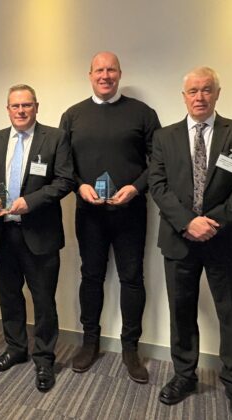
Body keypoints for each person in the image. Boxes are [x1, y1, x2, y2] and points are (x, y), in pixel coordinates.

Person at [149, 66, 232, 420]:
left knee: (231, 315)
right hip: (179, 239)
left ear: (217, 93)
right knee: (181, 313)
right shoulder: (164, 137)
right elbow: (158, 186)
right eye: (193, 91)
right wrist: (187, 223)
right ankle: (184, 376)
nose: (199, 97)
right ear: (183, 96)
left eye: (206, 90)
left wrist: (211, 223)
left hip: (225, 239)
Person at [59, 51, 161, 383]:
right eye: (99, 70)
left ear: (120, 73)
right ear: (90, 75)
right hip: (90, 214)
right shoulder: (72, 115)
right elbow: (63, 167)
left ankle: (130, 349)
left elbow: (158, 163)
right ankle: (90, 342)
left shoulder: (143, 113)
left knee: (133, 279)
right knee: (91, 278)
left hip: (130, 213)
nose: (105, 75)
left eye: (111, 69)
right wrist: (79, 187)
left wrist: (136, 188)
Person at [0, 84, 74, 392]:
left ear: (36, 107)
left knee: (43, 300)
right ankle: (16, 349)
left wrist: (29, 202)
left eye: (27, 105)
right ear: (7, 109)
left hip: (40, 234)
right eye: (15, 106)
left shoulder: (55, 138)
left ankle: (44, 358)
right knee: (9, 295)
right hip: (2, 233)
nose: (21, 111)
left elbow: (65, 181)